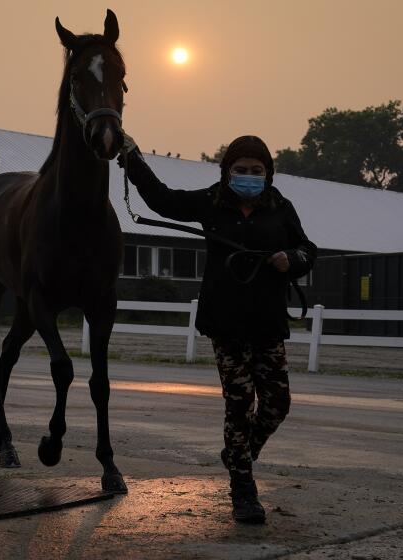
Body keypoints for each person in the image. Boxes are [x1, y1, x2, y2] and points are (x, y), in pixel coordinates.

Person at [118, 134, 317, 524]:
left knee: (278, 404)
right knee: (239, 404)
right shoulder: (211, 201)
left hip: (267, 323)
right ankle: (243, 491)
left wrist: (290, 259)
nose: (248, 176)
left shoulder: (281, 208)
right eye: (240, 170)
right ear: (226, 172)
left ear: (268, 174)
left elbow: (309, 250)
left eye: (256, 171)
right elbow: (163, 200)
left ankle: (237, 454)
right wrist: (134, 160)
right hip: (226, 323)